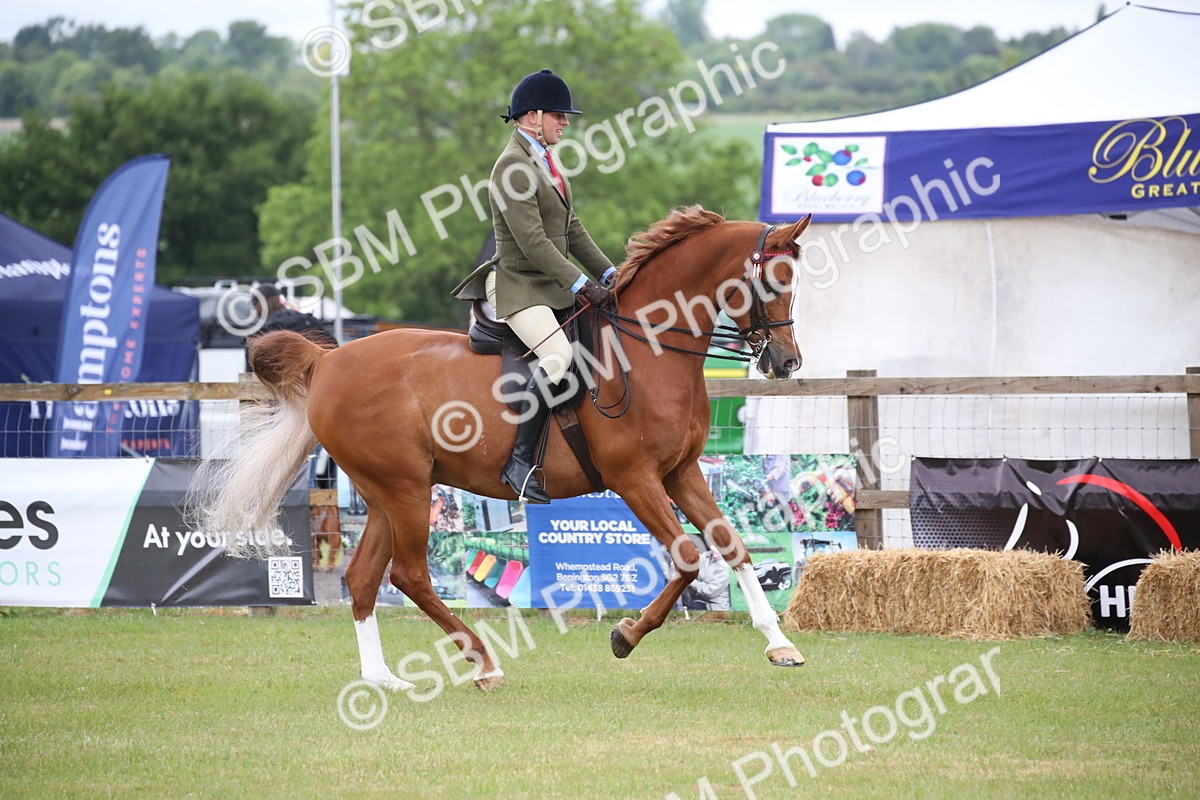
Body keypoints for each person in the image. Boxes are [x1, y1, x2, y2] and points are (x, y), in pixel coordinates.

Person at [452, 68, 617, 505]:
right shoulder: (511, 167)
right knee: (559, 355)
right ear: (533, 116)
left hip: (548, 284)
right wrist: (582, 284)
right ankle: (519, 463)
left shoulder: (544, 159)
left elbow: (571, 228)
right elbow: (534, 243)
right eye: (559, 116)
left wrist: (608, 274)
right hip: (516, 286)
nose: (566, 123)